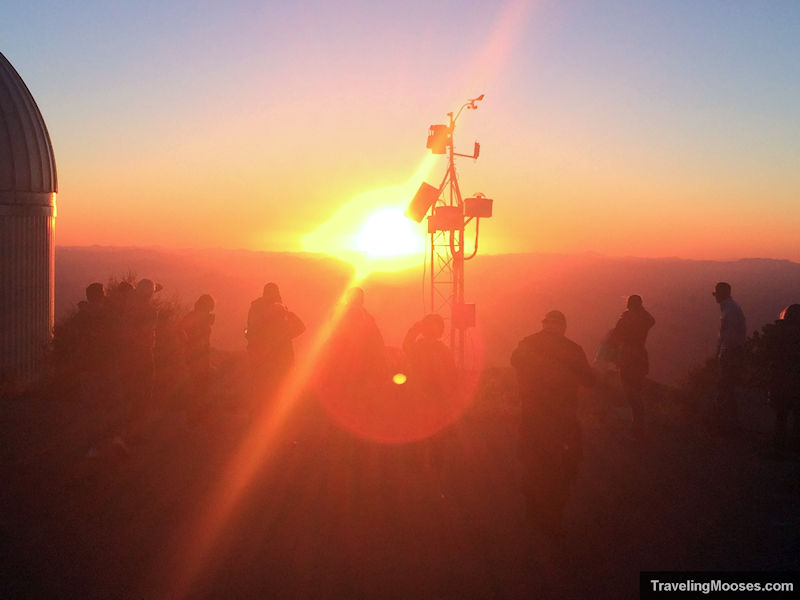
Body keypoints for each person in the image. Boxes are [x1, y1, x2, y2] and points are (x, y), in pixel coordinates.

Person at [510, 310, 595, 537]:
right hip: (563, 420)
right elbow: (589, 380)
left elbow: (515, 362)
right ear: (563, 327)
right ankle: (553, 517)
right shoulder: (573, 349)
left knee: (532, 462)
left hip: (532, 416)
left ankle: (533, 511)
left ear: (544, 324)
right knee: (565, 466)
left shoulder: (527, 344)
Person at [246, 283, 305, 400]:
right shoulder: (280, 327)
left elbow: (250, 332)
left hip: (264, 363)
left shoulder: (257, 313)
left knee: (264, 395)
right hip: (277, 364)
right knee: (276, 394)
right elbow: (301, 327)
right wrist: (288, 314)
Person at [609, 295, 655, 439]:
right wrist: (639, 309)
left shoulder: (625, 321)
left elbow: (613, 339)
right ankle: (638, 425)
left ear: (629, 305)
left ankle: (637, 428)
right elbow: (651, 320)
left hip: (627, 358)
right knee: (636, 392)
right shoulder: (644, 320)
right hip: (640, 358)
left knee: (630, 393)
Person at [759, 304, 800, 456]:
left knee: (781, 416)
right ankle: (795, 447)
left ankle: (779, 447)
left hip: (781, 382)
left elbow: (771, 359)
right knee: (797, 416)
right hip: (795, 383)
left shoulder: (778, 338)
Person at [711, 282, 746, 434]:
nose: (715, 297)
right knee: (727, 387)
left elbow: (727, 336)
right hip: (733, 352)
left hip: (730, 353)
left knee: (725, 387)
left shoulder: (729, 310)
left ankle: (727, 424)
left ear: (721, 294)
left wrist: (720, 354)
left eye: (716, 294)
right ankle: (729, 422)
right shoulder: (731, 307)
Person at [402, 313, 457, 400]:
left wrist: (415, 329)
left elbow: (452, 374)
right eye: (428, 325)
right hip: (424, 395)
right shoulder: (420, 347)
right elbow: (452, 375)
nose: (431, 328)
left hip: (434, 395)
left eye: (433, 325)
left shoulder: (443, 350)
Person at [180, 294, 216, 420]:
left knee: (198, 384)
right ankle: (196, 414)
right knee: (199, 385)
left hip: (197, 355)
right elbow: (183, 329)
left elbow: (181, 329)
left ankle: (196, 412)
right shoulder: (197, 317)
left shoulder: (193, 315)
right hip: (197, 356)